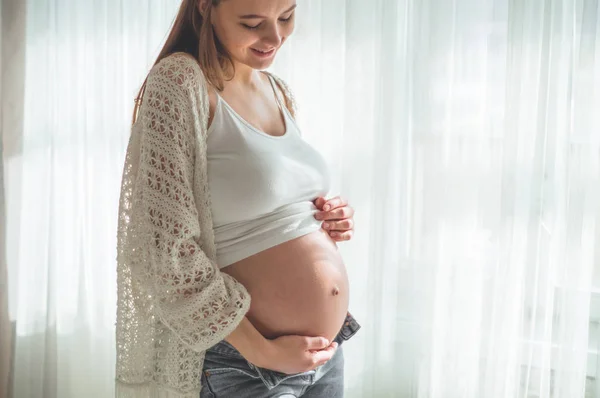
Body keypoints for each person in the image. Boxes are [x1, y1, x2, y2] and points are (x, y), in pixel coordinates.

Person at [116, 0, 360, 397]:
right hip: (245, 365)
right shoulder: (180, 82)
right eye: (253, 23)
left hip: (324, 355)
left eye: (286, 17)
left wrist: (326, 219)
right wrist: (263, 351)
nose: (275, 37)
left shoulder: (276, 89)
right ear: (206, 8)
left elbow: (268, 203)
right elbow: (162, 250)